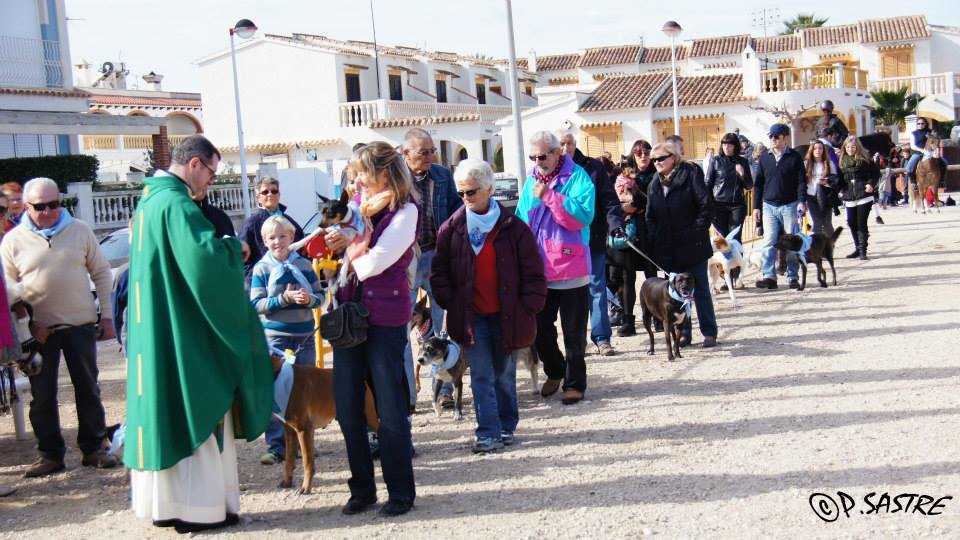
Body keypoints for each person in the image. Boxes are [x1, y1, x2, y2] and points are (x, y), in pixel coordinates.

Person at [124, 135, 273, 534]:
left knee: (166, 407)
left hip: (163, 330)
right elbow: (205, 265)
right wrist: (231, 248)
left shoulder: (150, 202)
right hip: (185, 335)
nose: (210, 181)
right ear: (193, 164)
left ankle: (168, 505)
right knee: (197, 404)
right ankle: (199, 509)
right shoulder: (176, 205)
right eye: (210, 171)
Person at [0, 177, 117, 478]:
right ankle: (50, 454)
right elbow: (8, 289)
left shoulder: (80, 230)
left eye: (55, 204)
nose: (50, 211)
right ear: (26, 207)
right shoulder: (12, 241)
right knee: (42, 394)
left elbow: (102, 273)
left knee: (88, 387)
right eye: (41, 207)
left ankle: (94, 448)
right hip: (38, 330)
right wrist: (27, 323)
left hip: (79, 324)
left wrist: (106, 316)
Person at [431, 158, 546, 453]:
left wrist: (529, 307)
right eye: (461, 193)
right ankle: (488, 432)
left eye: (471, 192)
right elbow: (439, 273)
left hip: (509, 316)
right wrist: (451, 302)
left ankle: (506, 425)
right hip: (472, 317)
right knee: (481, 375)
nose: (466, 199)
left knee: (504, 376)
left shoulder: (515, 228)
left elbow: (534, 273)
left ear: (488, 189)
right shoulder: (451, 229)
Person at [332, 141, 418, 517]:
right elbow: (340, 257)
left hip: (385, 320)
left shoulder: (406, 211)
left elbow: (374, 263)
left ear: (383, 173)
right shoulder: (356, 212)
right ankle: (362, 489)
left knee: (390, 410)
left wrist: (348, 244)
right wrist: (337, 243)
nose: (357, 180)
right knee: (349, 409)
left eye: (362, 173)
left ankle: (400, 492)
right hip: (350, 318)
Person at [515, 131, 595, 405]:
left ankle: (575, 383)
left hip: (571, 269)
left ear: (557, 152)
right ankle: (555, 370)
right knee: (538, 330)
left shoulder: (578, 178)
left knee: (573, 333)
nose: (538, 161)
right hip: (539, 271)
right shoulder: (531, 181)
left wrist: (550, 196)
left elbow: (581, 217)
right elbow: (521, 219)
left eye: (543, 155)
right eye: (533, 157)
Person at [250, 215, 324, 465]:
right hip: (276, 339)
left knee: (306, 390)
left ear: (292, 238)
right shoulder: (262, 269)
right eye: (272, 238)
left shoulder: (303, 265)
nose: (278, 242)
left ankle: (306, 444)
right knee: (274, 391)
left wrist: (308, 299)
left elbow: (320, 296)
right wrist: (283, 300)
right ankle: (276, 445)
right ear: (264, 241)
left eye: (283, 236)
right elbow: (256, 304)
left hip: (303, 335)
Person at [399, 128, 461, 409]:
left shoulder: (443, 176)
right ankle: (407, 397)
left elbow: (457, 211)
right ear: (405, 154)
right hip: (407, 261)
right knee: (401, 330)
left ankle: (445, 390)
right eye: (423, 152)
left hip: (438, 257)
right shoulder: (394, 181)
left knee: (444, 325)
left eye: (432, 150)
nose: (430, 156)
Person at [645, 142, 718, 348]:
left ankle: (709, 332)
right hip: (669, 248)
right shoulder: (654, 182)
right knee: (676, 294)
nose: (657, 162)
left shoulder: (690, 174)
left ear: (673, 157)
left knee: (700, 290)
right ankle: (684, 333)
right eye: (654, 160)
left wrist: (695, 231)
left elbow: (706, 206)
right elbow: (651, 215)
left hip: (693, 244)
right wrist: (655, 238)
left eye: (661, 158)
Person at [559, 132, 622, 356]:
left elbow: (609, 199)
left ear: (575, 145)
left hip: (592, 238)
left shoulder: (594, 167)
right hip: (564, 243)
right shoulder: (552, 172)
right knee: (572, 294)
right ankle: (577, 341)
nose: (565, 148)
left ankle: (602, 338)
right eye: (561, 144)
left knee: (597, 289)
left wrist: (615, 223)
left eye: (568, 143)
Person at [607, 139, 657, 337]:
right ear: (633, 155)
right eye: (638, 153)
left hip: (650, 231)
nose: (643, 156)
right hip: (629, 231)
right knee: (627, 277)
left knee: (651, 276)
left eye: (646, 152)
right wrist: (623, 207)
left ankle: (657, 317)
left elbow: (654, 201)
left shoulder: (656, 174)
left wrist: (637, 203)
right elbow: (613, 202)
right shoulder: (622, 176)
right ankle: (628, 321)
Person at [753, 123, 806, 290]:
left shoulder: (795, 157)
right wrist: (756, 207)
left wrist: (802, 201)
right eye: (771, 137)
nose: (773, 140)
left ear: (785, 138)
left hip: (790, 205)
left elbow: (801, 182)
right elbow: (758, 184)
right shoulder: (764, 158)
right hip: (769, 205)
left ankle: (792, 276)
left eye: (776, 137)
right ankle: (769, 276)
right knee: (769, 241)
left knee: (791, 242)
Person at [240, 176, 304, 279]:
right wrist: (255, 280)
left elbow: (302, 250)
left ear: (279, 195)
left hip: (292, 280)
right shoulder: (251, 224)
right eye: (265, 192)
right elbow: (242, 259)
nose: (270, 194)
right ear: (258, 197)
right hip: (264, 282)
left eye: (274, 191)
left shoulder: (290, 222)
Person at [705, 132, 753, 244]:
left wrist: (742, 174)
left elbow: (749, 185)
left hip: (737, 205)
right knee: (722, 240)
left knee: (735, 239)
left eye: (730, 145)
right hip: (718, 205)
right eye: (724, 144)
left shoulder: (743, 161)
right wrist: (709, 205)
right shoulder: (715, 160)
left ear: (735, 146)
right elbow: (708, 184)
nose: (726, 147)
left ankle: (737, 261)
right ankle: (723, 262)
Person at [838, 136, 880, 261]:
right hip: (849, 194)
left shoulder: (865, 159)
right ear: (845, 148)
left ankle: (863, 250)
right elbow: (840, 179)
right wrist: (839, 189)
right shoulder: (842, 161)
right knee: (851, 222)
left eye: (853, 147)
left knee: (861, 222)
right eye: (848, 147)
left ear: (857, 147)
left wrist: (870, 184)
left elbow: (876, 173)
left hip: (863, 193)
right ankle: (857, 247)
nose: (850, 149)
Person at [803, 140, 840, 236]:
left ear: (823, 150)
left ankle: (830, 244)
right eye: (815, 148)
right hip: (811, 197)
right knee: (817, 223)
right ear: (811, 150)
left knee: (827, 223)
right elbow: (802, 181)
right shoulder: (806, 164)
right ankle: (817, 248)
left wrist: (827, 181)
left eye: (820, 148)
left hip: (825, 197)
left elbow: (835, 180)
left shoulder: (828, 163)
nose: (818, 150)